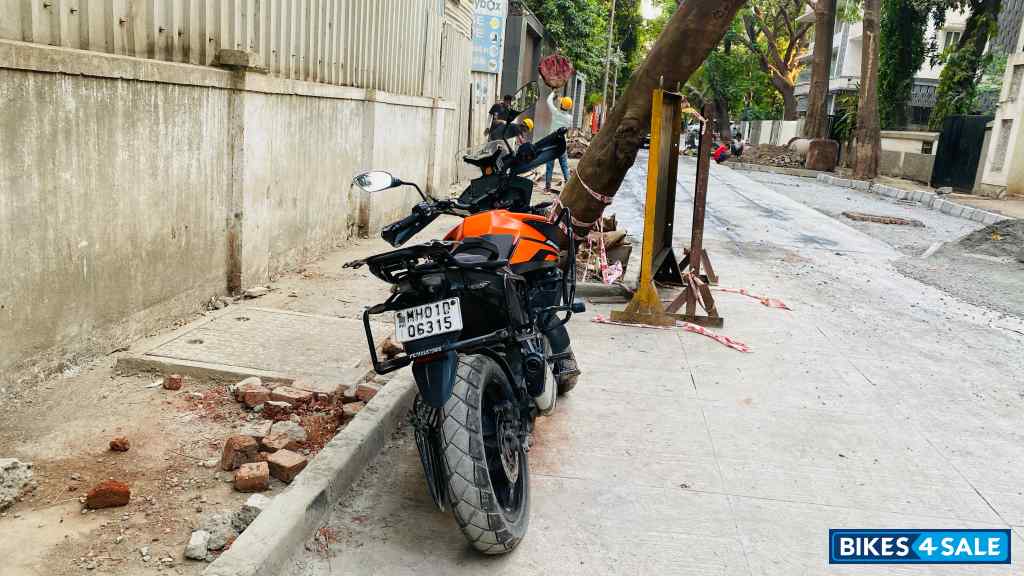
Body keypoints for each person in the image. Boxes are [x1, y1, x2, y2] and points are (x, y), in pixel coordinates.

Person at [543, 92, 573, 192]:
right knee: (564, 166)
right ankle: (568, 187)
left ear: (561, 105)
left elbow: (548, 101)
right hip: (562, 144)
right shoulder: (570, 118)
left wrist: (553, 93)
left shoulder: (555, 113)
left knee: (549, 165)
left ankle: (547, 187)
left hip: (552, 143)